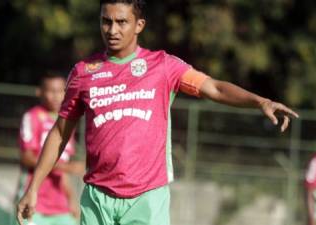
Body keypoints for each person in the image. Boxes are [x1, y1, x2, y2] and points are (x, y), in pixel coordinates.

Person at [17, 1, 299, 225]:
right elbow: (59, 133)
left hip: (146, 197)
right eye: (106, 21)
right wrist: (34, 187)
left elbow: (214, 88)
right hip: (97, 197)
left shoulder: (163, 66)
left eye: (121, 22)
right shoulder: (83, 73)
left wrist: (259, 101)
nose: (112, 30)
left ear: (139, 25)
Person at [17, 74, 84, 225]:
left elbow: (64, 172)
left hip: (60, 205)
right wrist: (66, 167)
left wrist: (71, 199)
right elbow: (27, 158)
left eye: (60, 91)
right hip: (35, 201)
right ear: (39, 92)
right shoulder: (32, 117)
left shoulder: (66, 123)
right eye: (51, 91)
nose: (56, 96)